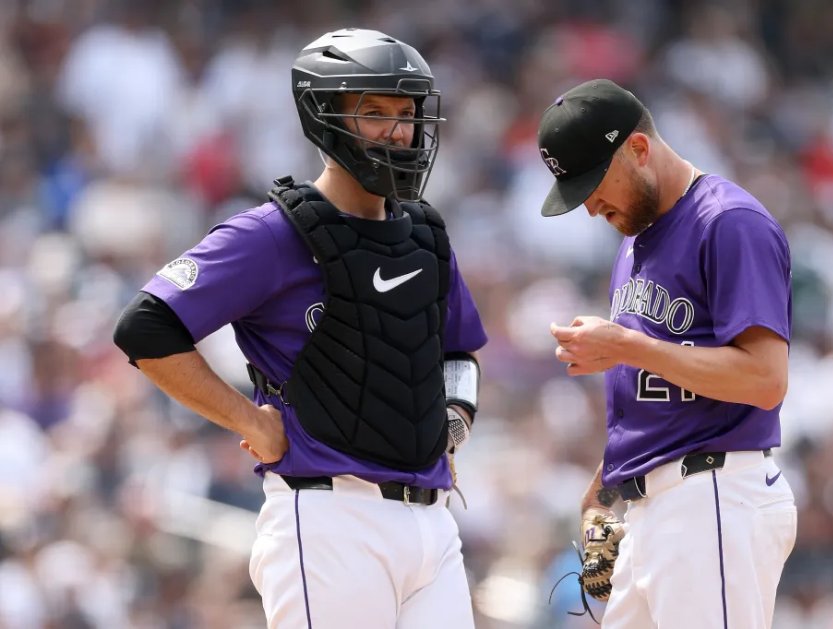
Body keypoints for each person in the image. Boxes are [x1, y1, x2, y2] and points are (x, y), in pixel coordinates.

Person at [113, 28, 487, 628]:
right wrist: (247, 420)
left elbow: (459, 350)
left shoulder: (425, 236)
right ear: (325, 117)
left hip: (433, 522)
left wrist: (452, 419)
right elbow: (145, 326)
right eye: (375, 113)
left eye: (407, 113)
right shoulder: (271, 234)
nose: (399, 130)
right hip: (329, 519)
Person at [539, 79, 797, 629]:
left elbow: (765, 379)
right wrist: (604, 489)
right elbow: (661, 390)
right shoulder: (634, 239)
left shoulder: (728, 222)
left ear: (637, 148)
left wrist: (626, 345)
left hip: (715, 499)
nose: (589, 208)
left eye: (593, 184)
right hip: (652, 508)